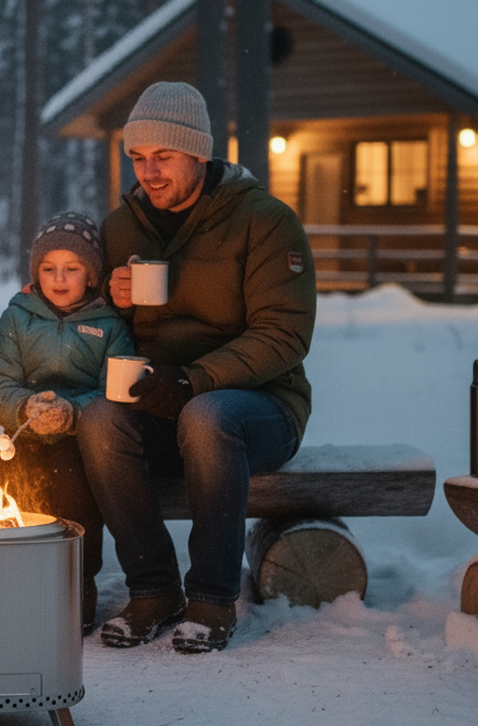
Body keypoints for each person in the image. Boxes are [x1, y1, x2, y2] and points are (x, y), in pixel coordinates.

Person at [76, 81, 316, 653]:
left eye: (164, 157)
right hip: (160, 398)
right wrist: (112, 303)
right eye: (137, 157)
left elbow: (284, 334)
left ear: (200, 153)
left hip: (259, 406)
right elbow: (89, 328)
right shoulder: (120, 228)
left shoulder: (264, 221)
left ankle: (212, 599)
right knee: (98, 421)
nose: (148, 172)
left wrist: (194, 380)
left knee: (207, 417)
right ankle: (152, 589)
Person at [0, 212, 134, 634]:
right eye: (49, 269)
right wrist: (25, 407)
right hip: (24, 434)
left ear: (92, 275)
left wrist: (72, 412)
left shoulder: (109, 326)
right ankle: (17, 584)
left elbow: (115, 391)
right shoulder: (18, 317)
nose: (59, 278)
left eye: (72, 269)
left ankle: (77, 587)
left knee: (75, 495)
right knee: (17, 490)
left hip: (80, 436)